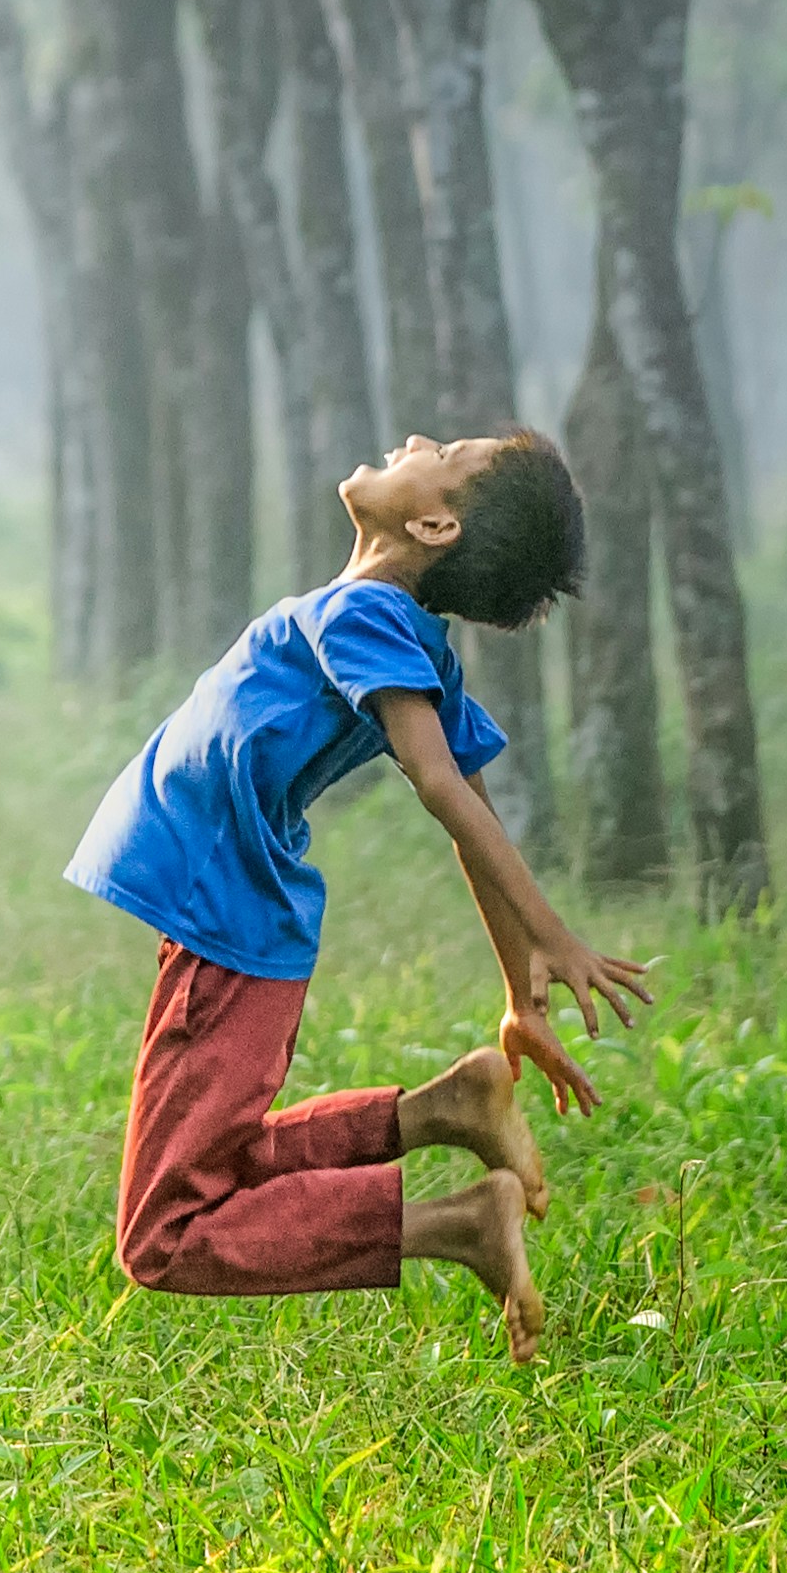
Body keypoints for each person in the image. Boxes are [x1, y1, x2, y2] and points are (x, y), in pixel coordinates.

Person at [65, 429, 650, 1361]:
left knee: (165, 1232)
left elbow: (445, 784)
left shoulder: (371, 614)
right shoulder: (388, 623)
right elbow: (470, 797)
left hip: (227, 923)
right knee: (219, 1166)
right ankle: (443, 1110)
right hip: (230, 918)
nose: (417, 437)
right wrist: (516, 992)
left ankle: (458, 1226)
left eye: (446, 450)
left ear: (433, 521)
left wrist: (551, 936)